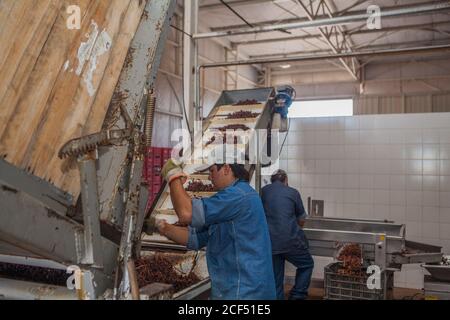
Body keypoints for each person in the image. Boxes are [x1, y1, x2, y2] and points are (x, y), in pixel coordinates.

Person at [153, 147, 276, 300]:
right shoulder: (230, 199)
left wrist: (173, 176)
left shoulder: (237, 196)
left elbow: (186, 214)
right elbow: (194, 239)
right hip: (234, 289)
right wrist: (162, 226)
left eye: (211, 171)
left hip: (244, 292)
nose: (209, 177)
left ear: (226, 168)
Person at [261, 169, 314, 300]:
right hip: (290, 241)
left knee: (276, 278)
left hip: (270, 242)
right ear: (286, 181)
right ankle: (297, 295)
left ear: (272, 181)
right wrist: (295, 228)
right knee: (307, 264)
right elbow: (302, 218)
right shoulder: (293, 192)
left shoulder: (263, 191)